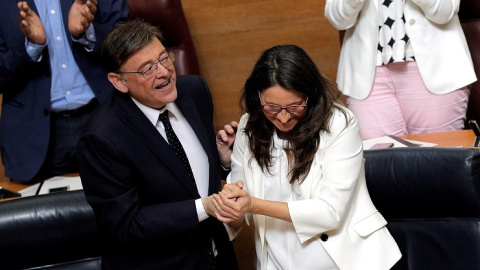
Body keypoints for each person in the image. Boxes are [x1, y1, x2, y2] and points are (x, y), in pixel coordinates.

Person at [213, 45, 401, 270]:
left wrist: (253, 204)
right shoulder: (249, 127)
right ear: (258, 97)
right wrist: (232, 205)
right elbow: (238, 216)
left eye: (295, 106)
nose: (283, 117)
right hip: (276, 262)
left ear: (310, 96)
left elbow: (330, 212)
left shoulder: (339, 123)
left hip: (345, 261)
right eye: (271, 107)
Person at [76, 19, 239, 270]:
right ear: (119, 81)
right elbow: (128, 224)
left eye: (164, 58)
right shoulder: (101, 137)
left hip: (217, 258)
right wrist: (205, 207)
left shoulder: (194, 90)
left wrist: (222, 161)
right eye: (147, 69)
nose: (164, 72)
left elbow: (184, 177)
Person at [0, 0, 128, 183]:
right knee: (43, 209)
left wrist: (88, 33)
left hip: (104, 116)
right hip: (33, 136)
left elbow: (126, 40)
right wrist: (31, 48)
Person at [324, 0, 477, 139]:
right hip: (366, 72)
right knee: (379, 162)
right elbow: (338, 19)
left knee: (435, 161)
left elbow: (445, 11)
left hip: (434, 68)